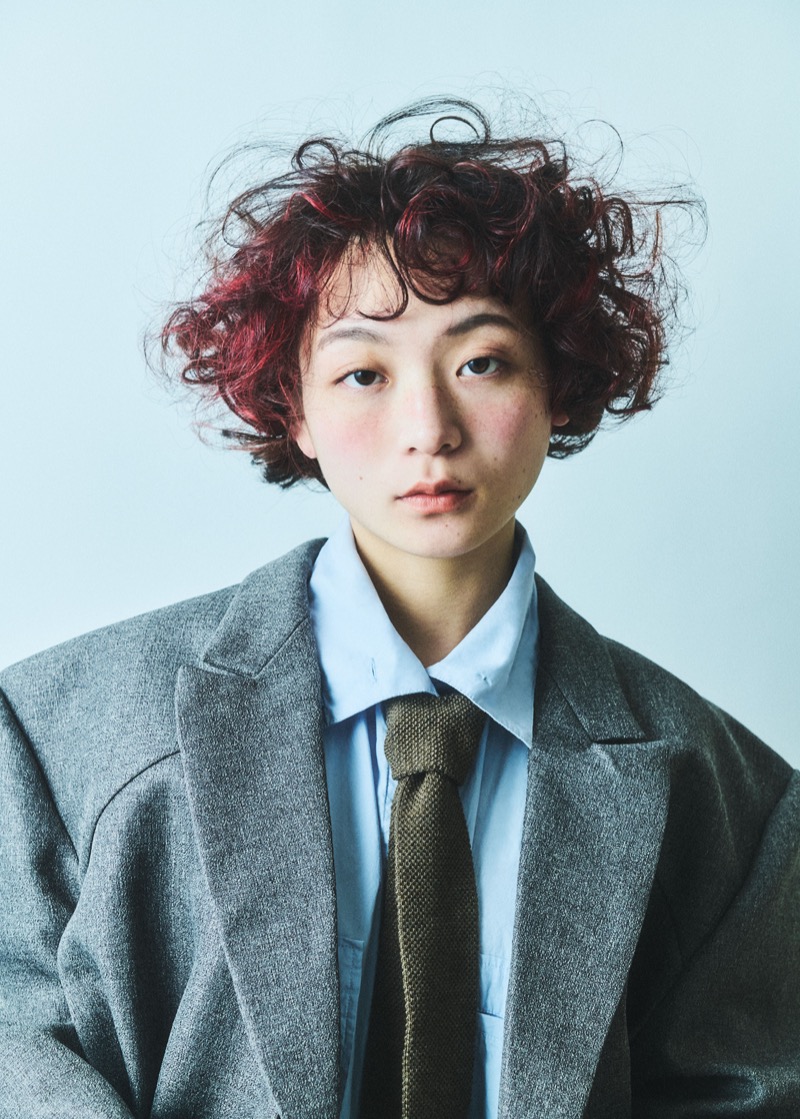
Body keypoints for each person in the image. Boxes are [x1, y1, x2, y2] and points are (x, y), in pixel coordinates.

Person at [0, 98, 797, 1119]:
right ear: (294, 407)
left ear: (558, 383)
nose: (428, 426)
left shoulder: (730, 799)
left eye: (479, 362)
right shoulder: (58, 732)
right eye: (362, 372)